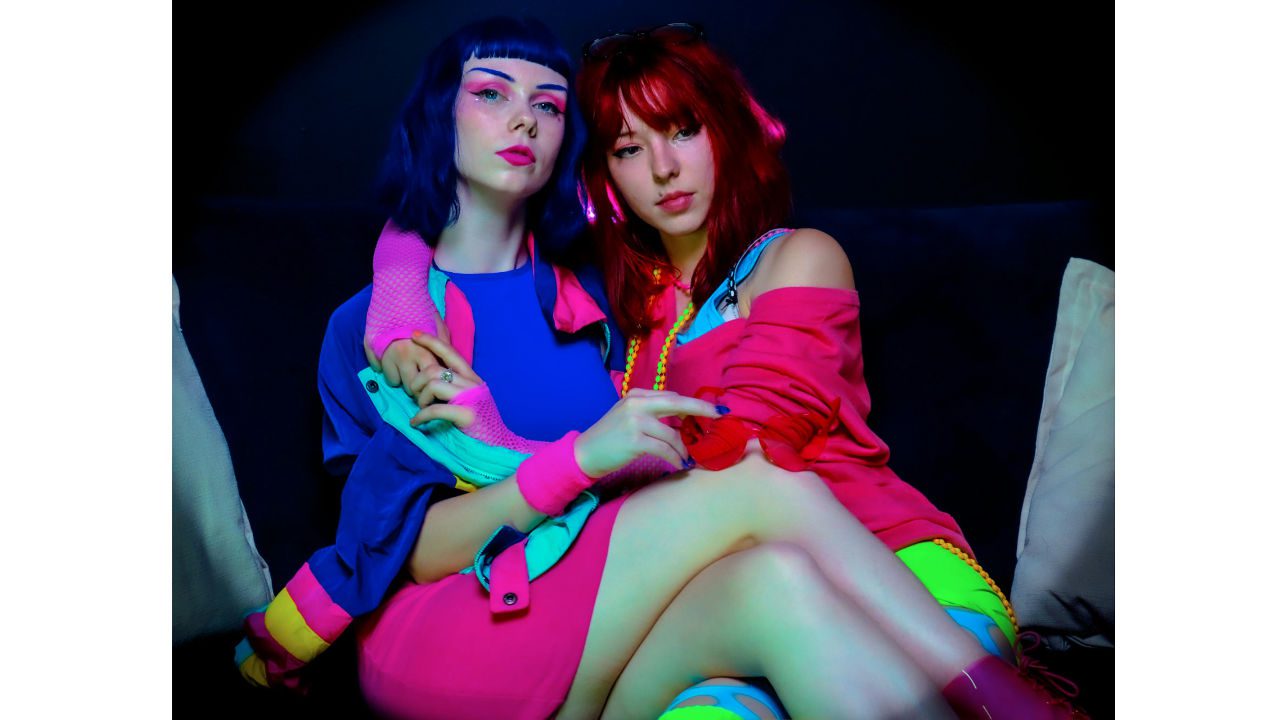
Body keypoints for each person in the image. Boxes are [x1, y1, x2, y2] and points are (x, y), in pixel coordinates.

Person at [273, 16, 1082, 720]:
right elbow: (391, 537)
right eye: (629, 146)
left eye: (548, 106)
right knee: (766, 549)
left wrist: (539, 454)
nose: (662, 167)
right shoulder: (423, 325)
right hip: (517, 603)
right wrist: (403, 301)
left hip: (847, 564)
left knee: (773, 581)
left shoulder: (591, 298)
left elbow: (745, 447)